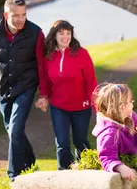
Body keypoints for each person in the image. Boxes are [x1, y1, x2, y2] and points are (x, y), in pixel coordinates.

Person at [0, 0, 47, 181]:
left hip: (26, 87)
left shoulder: (36, 33)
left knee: (16, 129)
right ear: (6, 14)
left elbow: (42, 65)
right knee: (12, 130)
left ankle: (14, 175)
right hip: (2, 88)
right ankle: (30, 162)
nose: (20, 19)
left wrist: (43, 93)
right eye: (16, 15)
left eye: (23, 14)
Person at [35, 20, 97, 170]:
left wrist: (97, 108)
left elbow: (91, 82)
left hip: (81, 107)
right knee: (62, 143)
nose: (65, 36)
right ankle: (64, 174)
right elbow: (45, 80)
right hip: (59, 107)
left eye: (68, 33)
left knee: (80, 141)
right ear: (54, 35)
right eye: (61, 33)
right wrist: (43, 96)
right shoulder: (49, 56)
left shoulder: (82, 54)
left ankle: (85, 171)